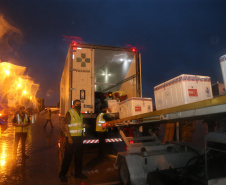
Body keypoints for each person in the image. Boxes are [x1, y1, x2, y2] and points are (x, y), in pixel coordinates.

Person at [59, 99, 87, 182]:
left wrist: (83, 135)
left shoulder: (80, 115)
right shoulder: (70, 113)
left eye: (79, 104)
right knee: (68, 157)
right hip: (71, 138)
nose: (79, 105)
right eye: (77, 104)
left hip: (79, 138)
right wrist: (69, 137)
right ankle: (62, 175)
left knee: (79, 157)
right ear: (73, 105)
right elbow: (66, 125)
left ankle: (78, 174)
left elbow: (80, 126)